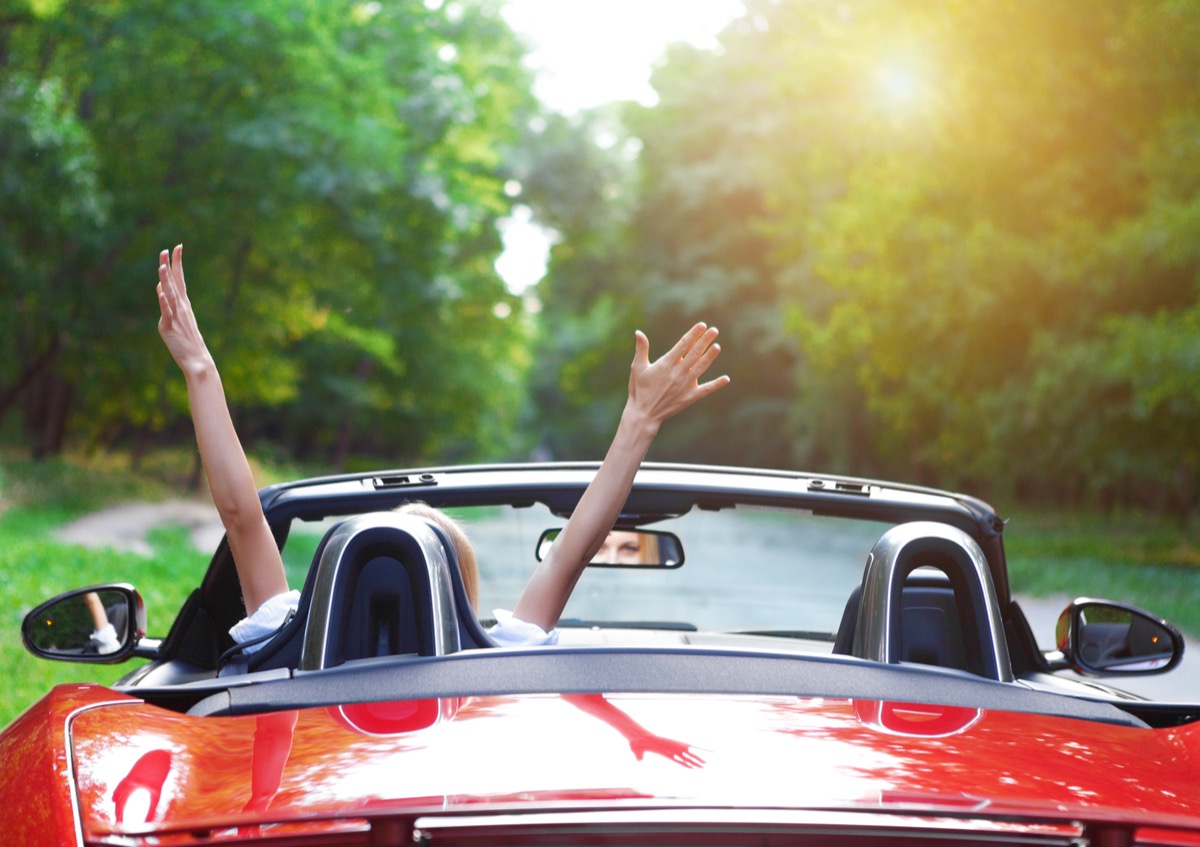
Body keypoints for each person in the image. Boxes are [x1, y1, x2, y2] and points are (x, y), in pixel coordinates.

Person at [155, 243, 729, 651]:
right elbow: (570, 552)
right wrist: (639, 421)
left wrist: (201, 370)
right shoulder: (498, 656)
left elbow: (243, 518)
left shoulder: (285, 640)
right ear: (458, 589)